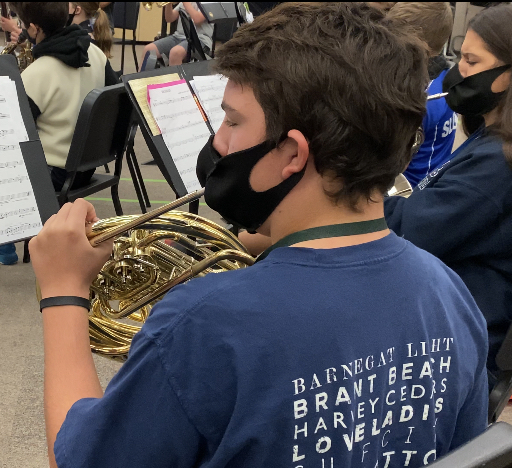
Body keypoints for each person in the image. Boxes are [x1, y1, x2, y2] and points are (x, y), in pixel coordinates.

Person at [30, 4, 489, 467]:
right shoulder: (450, 295)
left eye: (231, 121)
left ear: (291, 153)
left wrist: (63, 292)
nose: (220, 144)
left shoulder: (201, 324)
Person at [384, 3, 512, 389]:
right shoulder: (489, 140)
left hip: (455, 348)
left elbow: (413, 232)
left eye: (472, 61)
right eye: (460, 57)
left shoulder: (498, 163)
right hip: (447, 318)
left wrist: (341, 197)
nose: (459, 72)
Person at [0, 2, 119, 285]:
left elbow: (9, 134)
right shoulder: (95, 52)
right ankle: (3, 245)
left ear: (34, 28)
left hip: (51, 176)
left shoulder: (39, 73)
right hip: (85, 167)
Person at [387, 2, 456, 187]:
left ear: (417, 46)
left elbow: (386, 161)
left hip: (409, 189)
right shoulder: (444, 78)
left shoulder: (421, 98)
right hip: (433, 180)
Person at [139, 2, 213, 69]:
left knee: (175, 53)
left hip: (199, 39)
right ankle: (140, 81)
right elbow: (169, 18)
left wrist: (186, 3)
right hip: (178, 37)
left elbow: (197, 19)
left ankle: (175, 83)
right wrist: (169, 4)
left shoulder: (208, 3)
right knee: (148, 49)